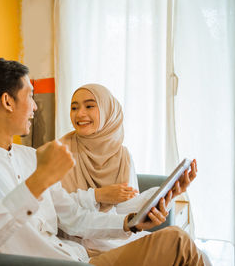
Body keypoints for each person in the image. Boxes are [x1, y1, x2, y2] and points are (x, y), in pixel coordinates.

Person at [0, 58, 206, 266]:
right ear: (8, 101)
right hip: (59, 264)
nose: (35, 107)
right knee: (177, 242)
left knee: (188, 251)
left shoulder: (30, 157)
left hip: (79, 258)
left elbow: (75, 218)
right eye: (30, 95)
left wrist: (130, 224)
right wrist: (33, 187)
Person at [60, 84, 174, 251]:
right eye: (74, 107)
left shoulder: (122, 156)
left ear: (108, 111)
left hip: (118, 234)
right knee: (176, 245)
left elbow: (124, 206)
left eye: (89, 106)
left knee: (179, 245)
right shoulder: (59, 152)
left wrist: (166, 196)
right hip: (80, 242)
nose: (80, 114)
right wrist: (99, 195)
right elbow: (60, 211)